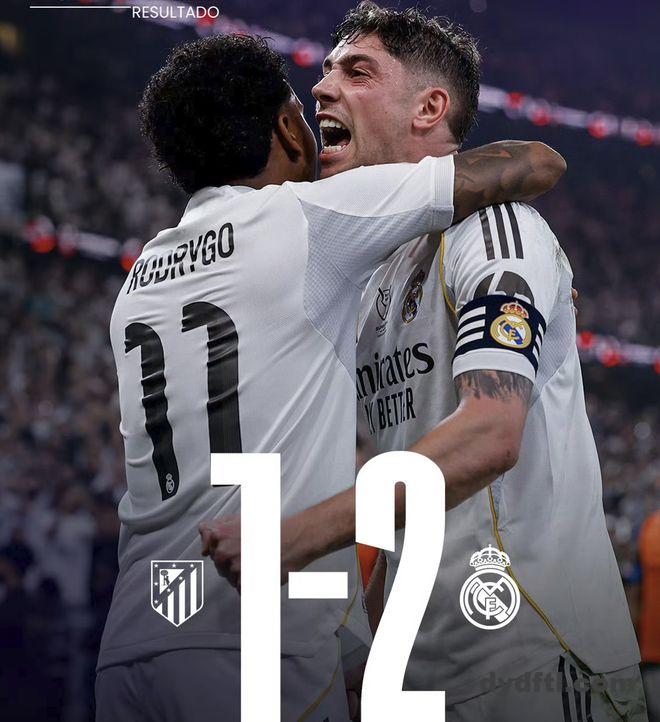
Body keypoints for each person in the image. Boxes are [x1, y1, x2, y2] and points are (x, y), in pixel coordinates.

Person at [95, 32, 564, 722]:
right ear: (289, 129)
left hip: (134, 638)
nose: (320, 97)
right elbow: (537, 162)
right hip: (251, 634)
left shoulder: (139, 281)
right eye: (303, 103)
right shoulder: (307, 218)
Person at [203, 4, 646, 721]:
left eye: (357, 71)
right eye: (326, 71)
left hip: (536, 661)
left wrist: (292, 539)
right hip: (424, 680)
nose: (321, 88)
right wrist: (377, 662)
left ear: (429, 108)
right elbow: (408, 497)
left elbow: (490, 434)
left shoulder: (496, 228)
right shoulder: (370, 279)